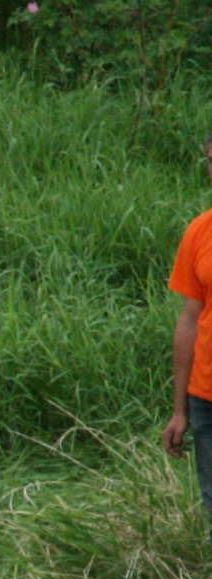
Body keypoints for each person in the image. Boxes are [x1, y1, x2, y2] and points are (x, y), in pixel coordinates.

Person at [162, 135, 212, 520]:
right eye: (211, 160)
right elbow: (189, 320)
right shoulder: (199, 232)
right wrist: (180, 410)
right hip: (206, 396)